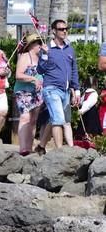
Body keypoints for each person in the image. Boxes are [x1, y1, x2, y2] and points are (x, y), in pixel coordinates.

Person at [37, 19, 80, 149]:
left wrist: (76, 90)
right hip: (51, 89)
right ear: (54, 31)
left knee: (58, 119)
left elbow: (74, 70)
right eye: (61, 29)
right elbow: (40, 70)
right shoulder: (47, 48)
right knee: (58, 120)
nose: (64, 31)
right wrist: (44, 55)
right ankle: (60, 152)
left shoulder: (69, 49)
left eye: (66, 29)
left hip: (65, 91)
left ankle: (41, 146)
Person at [14, 34, 44, 155]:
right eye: (39, 43)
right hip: (23, 92)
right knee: (25, 117)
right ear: (31, 45)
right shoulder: (25, 57)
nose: (41, 46)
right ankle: (22, 148)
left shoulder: (42, 58)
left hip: (37, 93)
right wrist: (33, 79)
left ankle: (29, 147)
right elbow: (18, 75)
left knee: (33, 120)